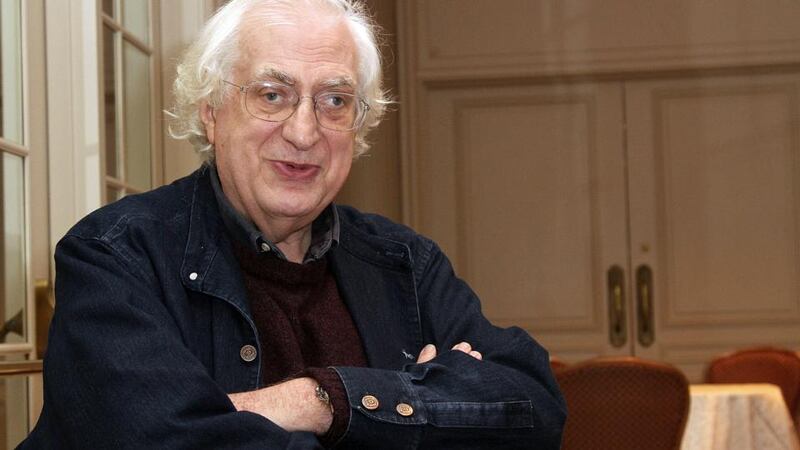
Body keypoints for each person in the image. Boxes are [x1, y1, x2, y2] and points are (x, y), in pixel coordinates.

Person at [21, 0, 565, 448]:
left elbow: (534, 406)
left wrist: (319, 399)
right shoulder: (116, 254)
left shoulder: (406, 264)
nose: (304, 132)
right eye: (272, 94)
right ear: (210, 111)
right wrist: (410, 405)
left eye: (334, 100)